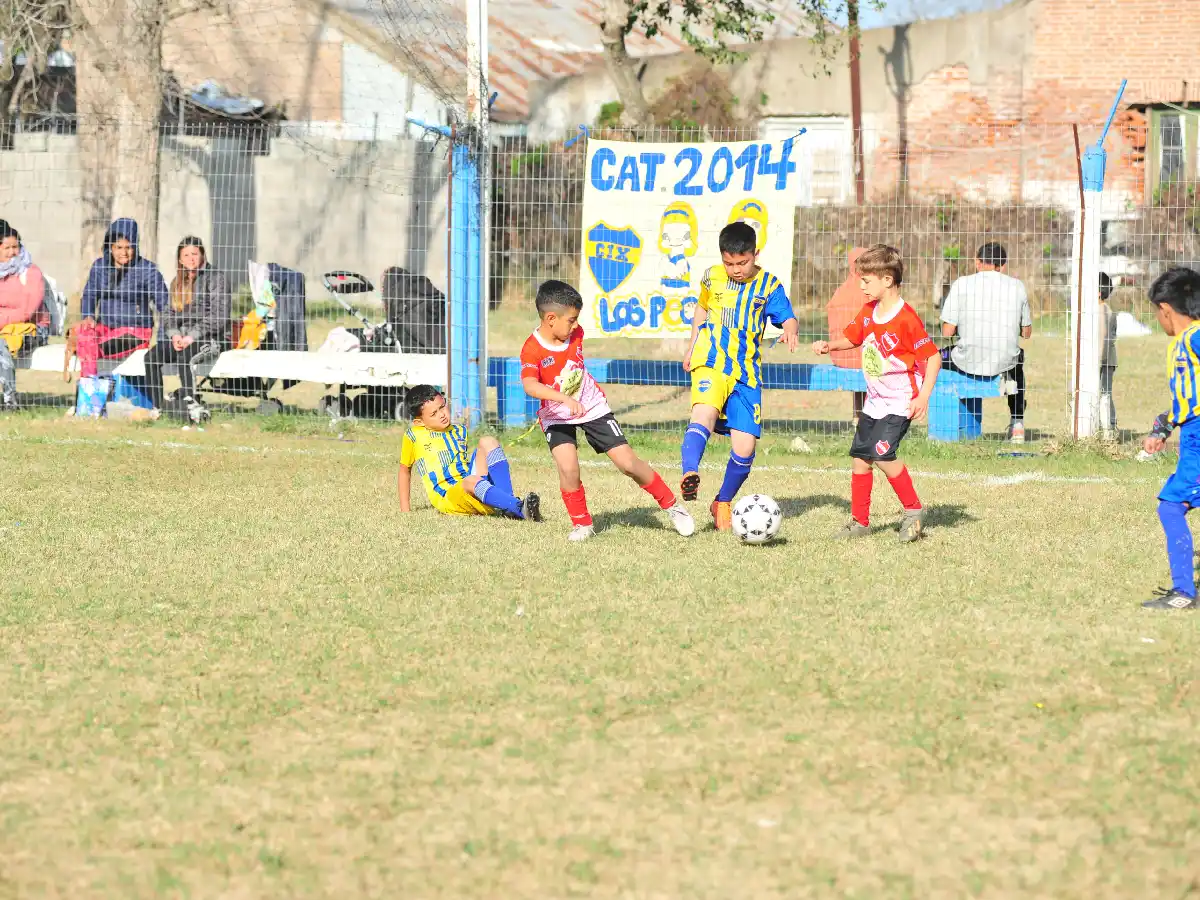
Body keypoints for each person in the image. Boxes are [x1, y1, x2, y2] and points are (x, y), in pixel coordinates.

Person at [519, 279, 694, 542]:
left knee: (628, 464)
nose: (577, 326)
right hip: (556, 415)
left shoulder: (575, 334)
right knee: (568, 469)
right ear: (551, 318)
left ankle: (672, 506)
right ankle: (582, 524)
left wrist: (574, 398)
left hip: (591, 406)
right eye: (572, 320)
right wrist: (562, 399)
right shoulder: (531, 349)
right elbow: (530, 385)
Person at [812, 244, 941, 542]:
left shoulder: (906, 319)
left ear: (887, 280)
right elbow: (853, 337)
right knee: (860, 460)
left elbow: (933, 357)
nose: (861, 285)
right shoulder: (869, 311)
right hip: (874, 401)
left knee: (882, 456)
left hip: (900, 401)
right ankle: (860, 522)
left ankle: (913, 510)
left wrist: (923, 397)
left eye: (866, 280)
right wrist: (830, 345)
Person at [678, 222, 799, 530]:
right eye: (729, 263)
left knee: (745, 448)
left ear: (755, 254)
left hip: (746, 373)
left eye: (742, 262)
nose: (735, 269)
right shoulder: (711, 277)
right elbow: (702, 311)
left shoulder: (769, 286)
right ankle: (689, 472)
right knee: (703, 414)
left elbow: (786, 316)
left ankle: (721, 501)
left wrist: (790, 328)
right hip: (711, 361)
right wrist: (692, 347)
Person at [1141, 268, 1200, 610]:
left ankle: (1183, 594)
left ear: (1165, 309)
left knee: (1171, 507)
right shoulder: (1182, 344)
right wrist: (1162, 428)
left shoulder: (1193, 337)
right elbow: (1187, 401)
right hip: (1190, 433)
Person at [398, 384, 541, 520]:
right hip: (448, 497)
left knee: (488, 441)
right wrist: (405, 510)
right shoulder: (413, 435)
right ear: (420, 422)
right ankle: (517, 508)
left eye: (442, 407)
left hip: (470, 483)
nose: (442, 414)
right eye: (434, 414)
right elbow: (405, 470)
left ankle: (509, 505)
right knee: (470, 481)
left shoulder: (459, 431)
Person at [938, 242, 1032, 443]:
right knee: (1018, 359)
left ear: (977, 262)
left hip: (966, 358)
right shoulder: (1017, 286)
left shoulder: (961, 284)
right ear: (1003, 265)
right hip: (1005, 361)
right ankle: (1017, 422)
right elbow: (1026, 332)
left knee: (938, 357)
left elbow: (947, 332)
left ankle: (941, 423)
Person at [143, 236, 230, 416]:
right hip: (182, 339)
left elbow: (219, 316)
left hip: (211, 339)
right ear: (180, 259)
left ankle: (192, 409)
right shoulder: (177, 282)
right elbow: (168, 313)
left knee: (185, 359)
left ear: (203, 255)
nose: (191, 258)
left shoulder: (216, 278)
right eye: (186, 255)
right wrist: (175, 335)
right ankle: (158, 408)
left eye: (195, 254)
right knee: (151, 357)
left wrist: (192, 336)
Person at [78, 218, 168, 378]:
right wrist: (88, 316)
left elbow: (165, 306)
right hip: (106, 327)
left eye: (129, 247)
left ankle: (92, 392)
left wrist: (161, 340)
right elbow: (89, 294)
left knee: (91, 346)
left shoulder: (148, 270)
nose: (124, 253)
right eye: (118, 247)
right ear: (110, 247)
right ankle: (90, 388)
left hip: (135, 332)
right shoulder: (99, 267)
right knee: (84, 334)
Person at [0, 221, 47, 411]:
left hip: (33, 330)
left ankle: (10, 400)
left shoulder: (30, 272)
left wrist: (2, 317)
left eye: (16, 247)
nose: (13, 252)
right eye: (7, 247)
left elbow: (28, 310)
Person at [1099, 272, 1118, 437]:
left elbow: (1104, 338)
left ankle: (1108, 430)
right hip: (1105, 359)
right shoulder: (1106, 310)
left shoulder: (1103, 311)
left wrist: (1099, 358)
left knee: (1105, 394)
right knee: (1104, 393)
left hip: (1104, 360)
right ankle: (1107, 425)